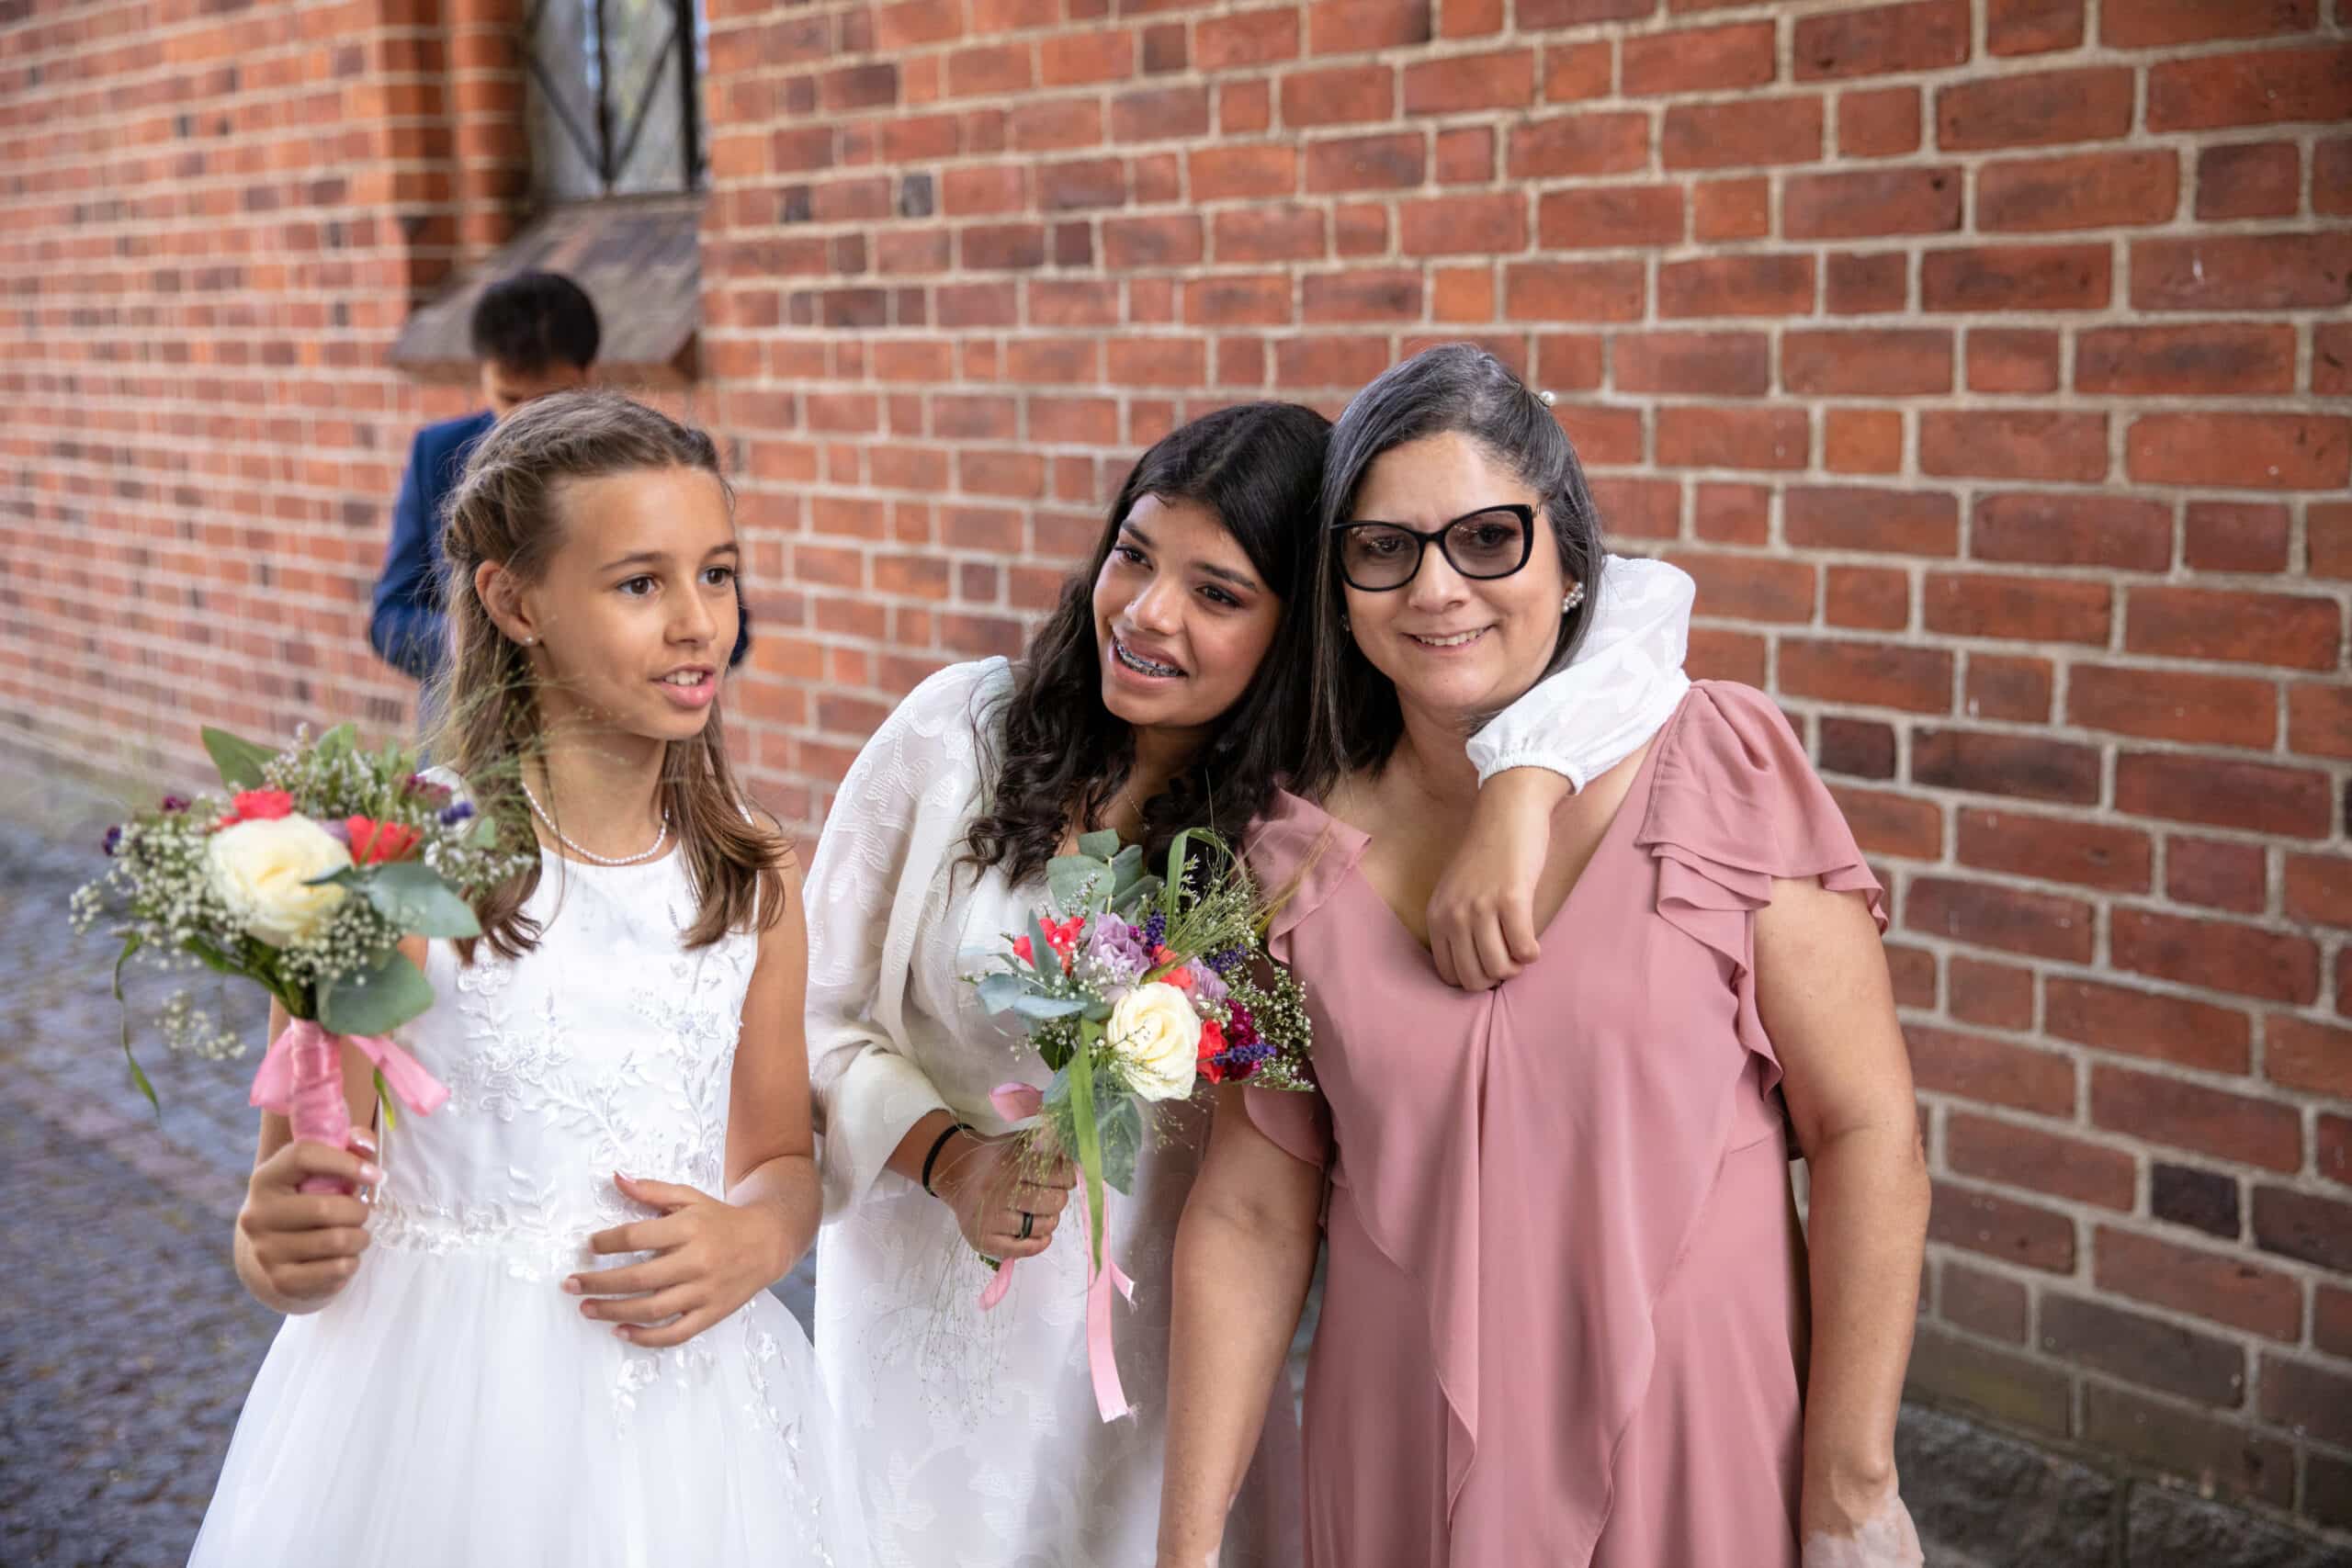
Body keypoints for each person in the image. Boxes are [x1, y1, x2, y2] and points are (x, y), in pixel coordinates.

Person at [801, 396, 1698, 1565]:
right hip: (917, 1350)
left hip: (1155, 1386)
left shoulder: (1302, 840)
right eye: (1133, 556)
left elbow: (1635, 604)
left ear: (1299, 627)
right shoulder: (956, 735)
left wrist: (1524, 786)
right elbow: (808, 1020)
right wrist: (948, 1157)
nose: (1148, 612)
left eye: (1217, 594)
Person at [1156, 345, 1931, 1568]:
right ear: (1341, 586)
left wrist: (1851, 1479)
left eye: (1486, 539)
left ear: (1571, 565)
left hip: (1699, 1450)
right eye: (1383, 547)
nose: (1436, 588)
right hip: (1396, 1461)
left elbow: (1866, 1129)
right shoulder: (1290, 858)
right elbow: (1253, 1211)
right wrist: (1187, 1546)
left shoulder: (1717, 768)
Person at [193, 392, 868, 1567]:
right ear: (514, 603)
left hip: (692, 1424)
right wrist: (273, 1246)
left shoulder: (750, 871)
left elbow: (777, 1156)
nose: (698, 624)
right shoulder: (388, 875)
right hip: (434, 1416)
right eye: (640, 584)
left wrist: (760, 1239)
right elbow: (294, 1214)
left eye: (717, 574)